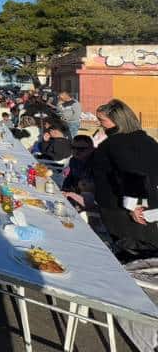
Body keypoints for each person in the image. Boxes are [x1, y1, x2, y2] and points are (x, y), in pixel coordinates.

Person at [90, 99, 158, 261]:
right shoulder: (147, 140)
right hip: (143, 209)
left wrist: (135, 205)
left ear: (117, 120)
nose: (101, 126)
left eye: (103, 121)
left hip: (124, 212)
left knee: (133, 256)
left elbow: (133, 173)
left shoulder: (117, 143)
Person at [61, 135, 96, 212]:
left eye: (81, 149)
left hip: (91, 203)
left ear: (91, 149)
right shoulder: (74, 160)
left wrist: (75, 195)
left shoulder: (98, 163)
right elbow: (69, 178)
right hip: (75, 196)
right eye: (73, 148)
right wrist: (64, 190)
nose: (76, 151)